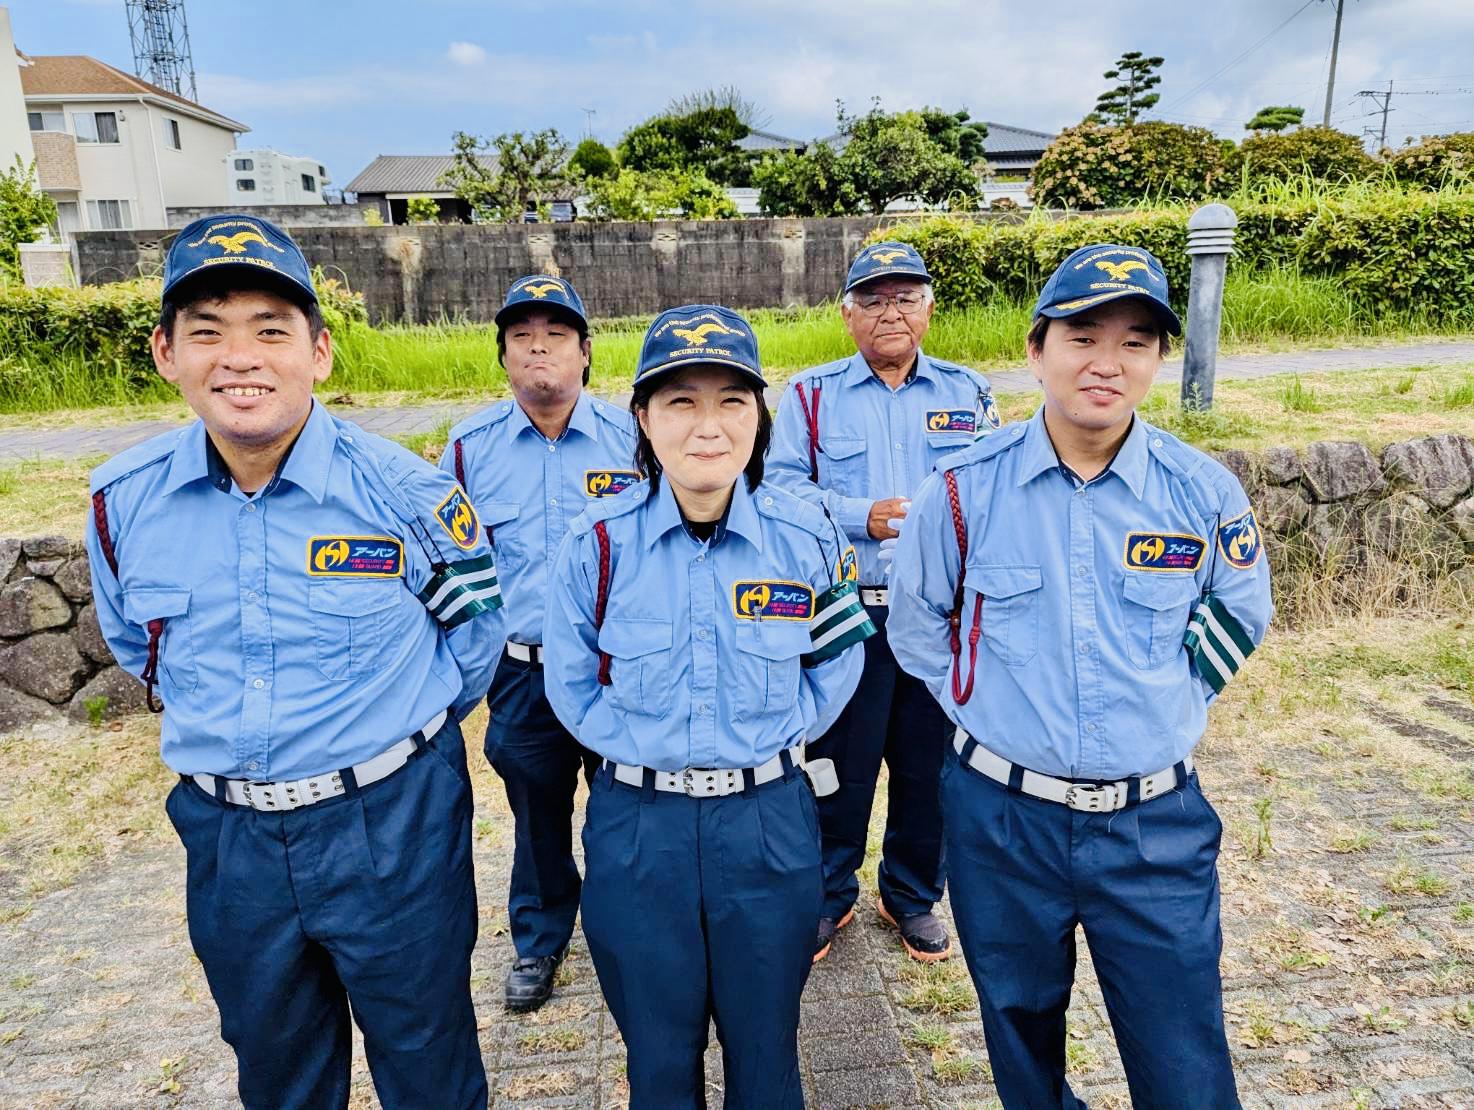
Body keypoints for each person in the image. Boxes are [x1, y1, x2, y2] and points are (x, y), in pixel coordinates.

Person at [86, 214, 505, 1110]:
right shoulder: (122, 504)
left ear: (319, 352)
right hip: (230, 839)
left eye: (270, 330)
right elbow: (137, 644)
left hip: (394, 823)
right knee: (275, 1071)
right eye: (208, 331)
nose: (240, 358)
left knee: (428, 1058)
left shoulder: (408, 494)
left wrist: (392, 740)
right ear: (166, 353)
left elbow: (473, 642)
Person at [888, 242, 1273, 1106]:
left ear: (1158, 360)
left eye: (1136, 342)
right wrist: (984, 700)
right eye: (1083, 336)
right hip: (1001, 821)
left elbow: (1242, 609)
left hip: (1153, 828)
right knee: (1020, 1032)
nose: (1108, 362)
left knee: (1183, 1059)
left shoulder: (1201, 491)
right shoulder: (960, 491)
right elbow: (919, 626)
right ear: (1035, 351)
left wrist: (1167, 695)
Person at [541, 304, 871, 1108]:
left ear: (760, 417)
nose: (709, 426)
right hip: (638, 831)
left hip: (767, 825)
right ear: (644, 420)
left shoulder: (809, 535)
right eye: (680, 401)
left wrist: (769, 742)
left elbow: (837, 662)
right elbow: (572, 685)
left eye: (733, 400)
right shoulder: (598, 542)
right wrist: (646, 750)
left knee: (767, 1058)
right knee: (658, 1060)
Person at [768, 240, 997, 963]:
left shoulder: (968, 392)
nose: (889, 311)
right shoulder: (810, 395)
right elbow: (779, 489)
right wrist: (857, 513)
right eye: (872, 298)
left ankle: (910, 896)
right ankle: (828, 895)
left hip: (936, 615)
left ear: (929, 306)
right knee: (839, 762)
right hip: (850, 613)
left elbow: (991, 491)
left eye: (904, 296)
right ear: (846, 314)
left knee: (930, 766)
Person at [442, 274, 636, 1013]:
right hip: (523, 673)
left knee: (624, 806)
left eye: (555, 335)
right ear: (504, 358)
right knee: (538, 809)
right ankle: (540, 938)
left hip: (617, 670)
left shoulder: (632, 435)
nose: (538, 348)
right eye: (522, 337)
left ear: (586, 353)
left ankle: (628, 931)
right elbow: (450, 564)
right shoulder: (469, 449)